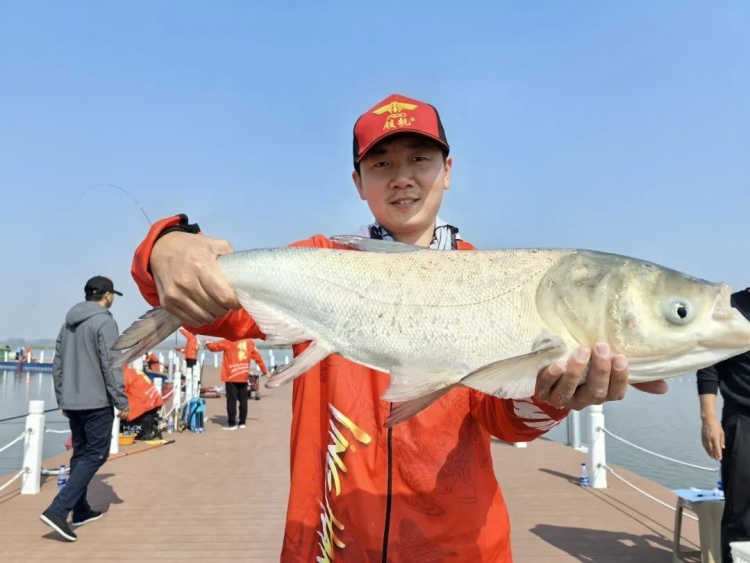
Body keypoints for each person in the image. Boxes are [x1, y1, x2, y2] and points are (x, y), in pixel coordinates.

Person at [129, 94, 667, 561]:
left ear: (448, 170)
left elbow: (503, 421)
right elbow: (216, 306)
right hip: (328, 542)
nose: (402, 176)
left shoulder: (494, 277)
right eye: (381, 163)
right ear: (358, 182)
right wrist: (167, 245)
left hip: (461, 548)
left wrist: (552, 396)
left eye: (419, 159)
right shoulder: (319, 263)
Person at [41, 276, 129, 542]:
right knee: (96, 454)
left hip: (73, 402)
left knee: (80, 454)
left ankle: (80, 511)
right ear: (107, 295)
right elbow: (111, 364)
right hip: (97, 402)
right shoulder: (105, 321)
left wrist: (62, 398)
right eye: (112, 295)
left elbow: (58, 364)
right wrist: (121, 400)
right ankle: (59, 509)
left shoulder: (68, 323)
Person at [697, 287, 750, 562]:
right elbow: (708, 365)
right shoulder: (730, 308)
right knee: (741, 516)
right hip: (743, 420)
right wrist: (709, 419)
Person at [204, 337, 267, 430]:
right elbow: (258, 357)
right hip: (243, 376)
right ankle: (242, 422)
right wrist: (265, 371)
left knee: (231, 401)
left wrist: (208, 342)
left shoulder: (228, 340)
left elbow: (214, 347)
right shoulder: (249, 342)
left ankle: (232, 423)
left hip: (231, 376)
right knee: (243, 400)